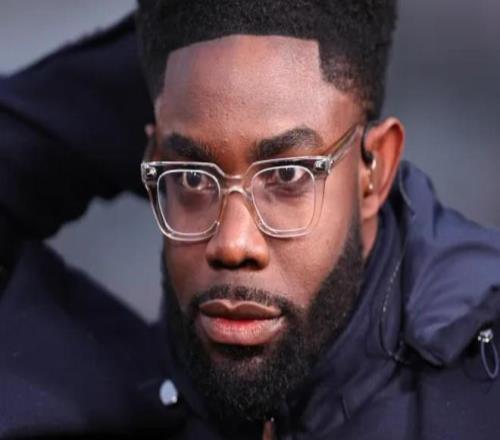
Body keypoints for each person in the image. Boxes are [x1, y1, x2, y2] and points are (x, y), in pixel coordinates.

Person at [2, 1, 500, 439]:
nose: (232, 244)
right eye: (193, 177)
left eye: (287, 174)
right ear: (152, 157)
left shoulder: (481, 389)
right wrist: (184, 42)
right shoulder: (98, 383)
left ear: (375, 169)